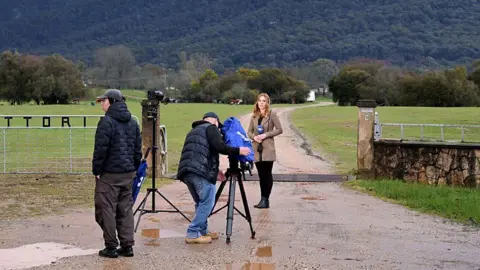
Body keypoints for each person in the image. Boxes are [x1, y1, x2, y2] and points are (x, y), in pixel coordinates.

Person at [176, 112, 251, 244]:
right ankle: (193, 233)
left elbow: (200, 153)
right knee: (207, 203)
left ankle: (202, 231)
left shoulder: (194, 131)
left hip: (187, 172)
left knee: (201, 203)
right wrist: (238, 150)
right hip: (200, 172)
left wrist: (215, 171)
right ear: (215, 121)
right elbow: (219, 147)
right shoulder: (211, 128)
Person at [92, 89, 142, 258]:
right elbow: (137, 150)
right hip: (128, 173)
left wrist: (96, 170)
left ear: (112, 101)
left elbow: (101, 150)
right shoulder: (133, 122)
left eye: (103, 101)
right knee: (125, 210)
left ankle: (111, 246)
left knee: (105, 209)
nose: (102, 104)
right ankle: (127, 245)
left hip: (109, 174)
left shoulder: (107, 122)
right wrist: (133, 168)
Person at [247, 93, 283, 209]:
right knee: (261, 175)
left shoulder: (272, 115)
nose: (261, 103)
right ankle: (263, 200)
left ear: (267, 102)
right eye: (259, 101)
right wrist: (254, 137)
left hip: (267, 148)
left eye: (264, 101)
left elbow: (279, 129)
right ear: (257, 102)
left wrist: (266, 135)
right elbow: (249, 132)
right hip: (256, 148)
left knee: (267, 175)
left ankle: (265, 199)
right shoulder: (254, 116)